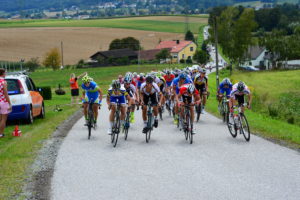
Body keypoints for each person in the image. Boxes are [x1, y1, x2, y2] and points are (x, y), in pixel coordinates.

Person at [0, 69, 12, 138]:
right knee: (3, 119)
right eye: (5, 73)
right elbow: (5, 94)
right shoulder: (3, 82)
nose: (5, 74)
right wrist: (9, 103)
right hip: (3, 101)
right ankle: (1, 134)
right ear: (3, 73)